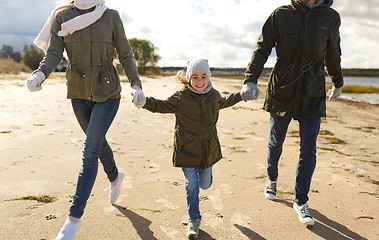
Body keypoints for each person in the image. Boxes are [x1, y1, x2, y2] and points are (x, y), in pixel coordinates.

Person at [25, 0, 146, 239]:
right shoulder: (62, 16)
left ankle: (73, 219)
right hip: (78, 94)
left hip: (108, 93)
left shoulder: (111, 16)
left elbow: (125, 53)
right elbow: (54, 52)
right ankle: (114, 176)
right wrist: (40, 73)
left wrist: (136, 84)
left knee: (90, 151)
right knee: (98, 143)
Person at [242, 0, 343, 226]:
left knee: (309, 148)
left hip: (313, 91)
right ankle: (272, 178)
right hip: (282, 89)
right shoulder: (281, 14)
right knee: (276, 141)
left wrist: (338, 81)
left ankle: (301, 200)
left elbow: (333, 51)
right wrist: (250, 79)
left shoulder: (331, 17)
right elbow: (262, 48)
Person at [137, 59, 245, 238]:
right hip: (186, 150)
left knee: (205, 184)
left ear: (209, 77)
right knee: (192, 186)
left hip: (207, 151)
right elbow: (160, 105)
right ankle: (194, 220)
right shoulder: (181, 98)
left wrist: (242, 95)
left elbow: (225, 102)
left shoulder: (214, 95)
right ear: (189, 78)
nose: (200, 81)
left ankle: (205, 180)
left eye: (203, 76)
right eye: (195, 77)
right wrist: (144, 102)